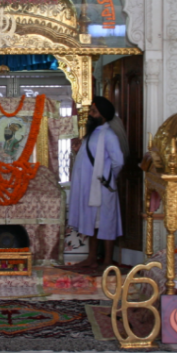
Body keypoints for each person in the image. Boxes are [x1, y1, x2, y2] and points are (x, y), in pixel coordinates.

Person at [67, 96, 127, 271]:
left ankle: (107, 261)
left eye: (94, 112)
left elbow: (118, 161)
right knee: (93, 223)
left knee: (107, 222)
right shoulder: (93, 134)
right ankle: (92, 258)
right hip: (90, 188)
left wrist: (107, 179)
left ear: (103, 115)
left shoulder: (109, 135)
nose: (90, 115)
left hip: (102, 188)